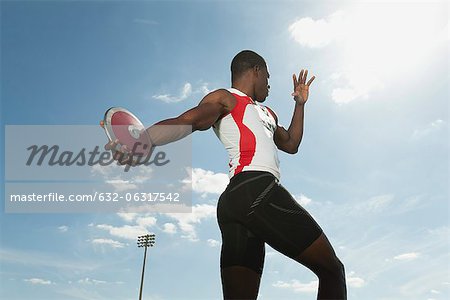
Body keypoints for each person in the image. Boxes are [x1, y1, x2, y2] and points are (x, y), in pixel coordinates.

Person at [105, 50, 347, 299]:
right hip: (257, 189)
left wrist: (299, 104)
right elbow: (190, 120)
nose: (270, 84)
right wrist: (144, 140)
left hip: (236, 204)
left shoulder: (268, 113)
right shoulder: (226, 98)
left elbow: (291, 144)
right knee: (333, 270)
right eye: (268, 77)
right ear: (256, 71)